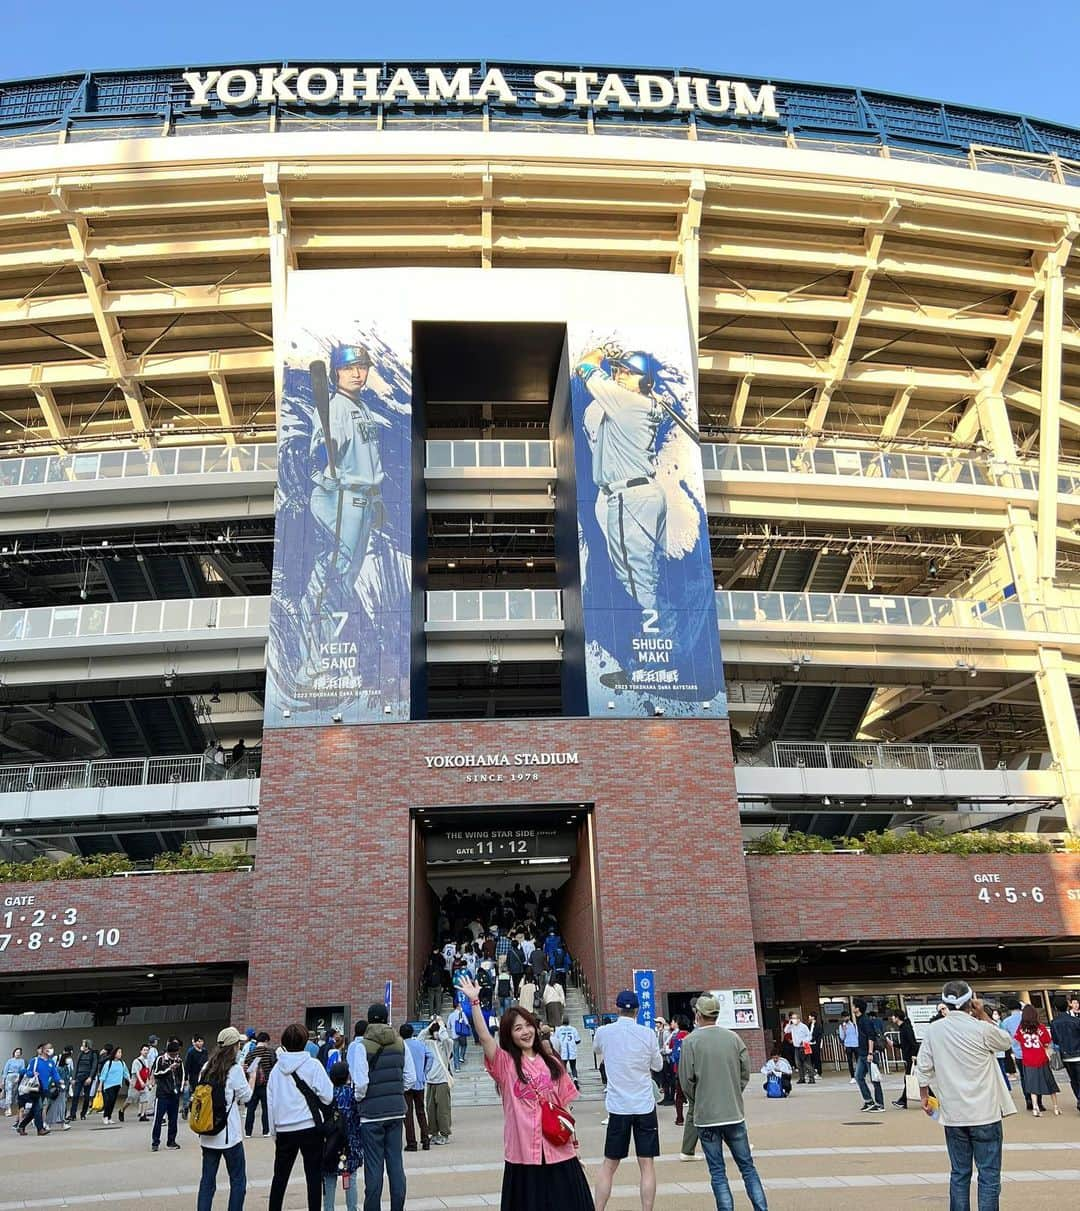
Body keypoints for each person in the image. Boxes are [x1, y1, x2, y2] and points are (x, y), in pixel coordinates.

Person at [457, 976, 593, 1211]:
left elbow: (566, 1110)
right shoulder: (506, 1064)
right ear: (509, 1035)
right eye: (518, 1028)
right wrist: (475, 1003)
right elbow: (485, 1038)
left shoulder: (553, 1063)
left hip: (559, 1150)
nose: (526, 1031)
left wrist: (575, 1146)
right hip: (524, 1154)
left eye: (528, 1025)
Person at [915, 980, 1016, 1211]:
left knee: (959, 1174)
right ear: (971, 1001)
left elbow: (923, 1067)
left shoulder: (933, 1030)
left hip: (953, 1114)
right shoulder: (981, 1028)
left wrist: (923, 1097)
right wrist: (982, 1013)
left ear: (945, 1003)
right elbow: (1005, 1041)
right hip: (985, 1113)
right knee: (989, 1176)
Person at [679, 994, 769, 1211]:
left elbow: (686, 1080)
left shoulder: (690, 1041)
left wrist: (698, 1099)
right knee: (747, 1167)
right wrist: (733, 1091)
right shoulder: (734, 1038)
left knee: (718, 1173)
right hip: (733, 1113)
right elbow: (744, 1073)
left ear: (697, 1014)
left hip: (706, 1116)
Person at [592, 989, 663, 1211]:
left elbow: (596, 1049)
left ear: (617, 1008)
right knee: (647, 1164)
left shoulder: (604, 1032)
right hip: (643, 1104)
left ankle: (599, 1208)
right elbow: (658, 1065)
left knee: (609, 1163)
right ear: (637, 1010)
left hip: (618, 1106)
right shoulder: (648, 1034)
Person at [267, 1023, 335, 1211]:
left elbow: (271, 1104)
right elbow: (328, 1096)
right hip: (310, 1127)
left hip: (284, 1129)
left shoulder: (276, 1071)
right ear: (306, 1041)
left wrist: (274, 1132)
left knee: (279, 1177)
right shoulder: (313, 1065)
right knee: (313, 1176)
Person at [352, 1002, 411, 1211]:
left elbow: (360, 1084)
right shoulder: (401, 1043)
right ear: (387, 1019)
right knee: (396, 1164)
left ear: (369, 1020)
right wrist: (396, 1091)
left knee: (374, 1168)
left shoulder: (361, 1046)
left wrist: (360, 1100)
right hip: (396, 1112)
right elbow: (410, 1078)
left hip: (371, 1115)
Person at [195, 1027, 255, 1211]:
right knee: (238, 1180)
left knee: (207, 1182)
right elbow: (246, 1097)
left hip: (207, 1132)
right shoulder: (234, 1069)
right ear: (234, 1046)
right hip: (229, 1135)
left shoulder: (206, 1067)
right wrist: (251, 1077)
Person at [322, 1062, 363, 1211]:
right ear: (347, 1076)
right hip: (350, 1145)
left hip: (330, 1145)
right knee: (349, 1177)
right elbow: (359, 1119)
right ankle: (352, 1208)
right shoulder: (352, 1095)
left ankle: (328, 1208)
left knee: (329, 1179)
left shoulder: (326, 1095)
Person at [1014, 1004, 1060, 1117]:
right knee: (1050, 1083)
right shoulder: (1041, 1028)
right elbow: (1047, 1043)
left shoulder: (1021, 1029)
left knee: (1032, 1085)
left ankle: (1035, 1107)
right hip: (1041, 1059)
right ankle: (1055, 1107)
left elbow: (1019, 1041)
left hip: (1028, 1060)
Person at [14, 1043, 60, 1137]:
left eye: (51, 1048)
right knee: (38, 1108)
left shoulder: (51, 1062)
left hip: (44, 1088)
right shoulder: (35, 1061)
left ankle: (21, 1126)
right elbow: (26, 1071)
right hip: (34, 1088)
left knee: (34, 1110)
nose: (51, 1050)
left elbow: (55, 1073)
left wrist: (59, 1081)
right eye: (49, 1048)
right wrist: (32, 1073)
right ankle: (40, 1129)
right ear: (43, 1050)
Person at [419, 1018, 453, 1145]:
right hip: (430, 1080)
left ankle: (445, 1133)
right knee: (430, 1108)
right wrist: (430, 1027)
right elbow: (419, 1039)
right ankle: (433, 1132)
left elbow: (445, 1038)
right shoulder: (428, 1044)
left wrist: (441, 1025)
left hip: (442, 1080)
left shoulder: (447, 1045)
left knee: (442, 1109)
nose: (436, 1033)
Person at [399, 1024, 431, 1152]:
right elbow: (431, 1056)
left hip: (406, 1083)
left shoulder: (401, 1046)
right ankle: (425, 1140)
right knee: (421, 1112)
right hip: (419, 1081)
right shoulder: (419, 1044)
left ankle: (411, 1143)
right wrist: (424, 1071)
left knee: (408, 1114)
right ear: (412, 1033)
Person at [151, 1037, 184, 1151]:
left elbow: (182, 1074)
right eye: (173, 1055)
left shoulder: (179, 1060)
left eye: (176, 1054)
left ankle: (171, 1141)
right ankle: (155, 1142)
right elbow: (156, 1073)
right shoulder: (160, 1059)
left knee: (173, 1119)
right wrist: (169, 1068)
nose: (175, 1057)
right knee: (158, 1119)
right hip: (162, 1093)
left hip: (174, 1094)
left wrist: (180, 1088)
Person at [853, 998, 885, 1112]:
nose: (852, 1008)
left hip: (868, 1053)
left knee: (874, 1079)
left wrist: (870, 1053)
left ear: (858, 1008)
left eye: (853, 1006)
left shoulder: (865, 1020)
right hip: (862, 1053)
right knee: (858, 1077)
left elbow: (871, 1036)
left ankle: (880, 1104)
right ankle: (868, 1100)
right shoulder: (859, 1019)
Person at [1049, 995, 1080, 1112]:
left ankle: (1078, 1098)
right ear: (1068, 1006)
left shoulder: (1054, 1023)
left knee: (1073, 1079)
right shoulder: (1076, 1021)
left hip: (1065, 1055)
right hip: (1078, 1053)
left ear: (1055, 1008)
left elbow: (1055, 1040)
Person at [245, 1031, 276, 1137]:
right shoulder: (270, 1052)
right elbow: (275, 1067)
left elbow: (246, 1068)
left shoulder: (251, 1054)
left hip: (253, 1085)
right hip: (266, 1085)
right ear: (266, 1041)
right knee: (266, 1108)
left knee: (251, 1108)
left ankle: (248, 1132)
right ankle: (266, 1131)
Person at [890, 1010, 920, 1109]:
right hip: (909, 1056)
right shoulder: (903, 1028)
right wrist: (894, 1044)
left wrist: (914, 1054)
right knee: (914, 1079)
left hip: (912, 1057)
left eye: (893, 1016)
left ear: (898, 1017)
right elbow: (904, 1045)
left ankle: (903, 1101)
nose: (892, 1018)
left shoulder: (906, 1028)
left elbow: (913, 1042)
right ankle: (933, 1099)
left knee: (910, 1078)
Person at [98, 1046, 130, 1126]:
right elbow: (103, 1075)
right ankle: (105, 1116)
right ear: (114, 1053)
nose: (120, 1054)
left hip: (117, 1085)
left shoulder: (122, 1063)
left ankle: (109, 1117)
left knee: (113, 1102)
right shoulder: (108, 1063)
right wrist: (100, 1086)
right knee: (108, 1101)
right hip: (108, 1086)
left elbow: (126, 1073)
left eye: (121, 1052)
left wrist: (130, 1081)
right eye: (118, 1052)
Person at [68, 1040, 98, 1122]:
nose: (82, 1046)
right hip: (79, 1077)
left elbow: (94, 1066)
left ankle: (83, 1114)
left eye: (83, 1044)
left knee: (87, 1096)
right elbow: (76, 1066)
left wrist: (90, 1077)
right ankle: (72, 1114)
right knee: (76, 1095)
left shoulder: (93, 1054)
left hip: (87, 1077)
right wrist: (74, 1078)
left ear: (87, 1046)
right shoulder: (80, 1054)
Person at [45, 1047, 73, 1129]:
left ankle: (62, 1123)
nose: (69, 1060)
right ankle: (48, 1123)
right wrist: (60, 1083)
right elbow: (55, 1079)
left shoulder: (67, 1068)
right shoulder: (59, 1069)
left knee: (62, 1107)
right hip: (58, 1090)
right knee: (55, 1107)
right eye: (68, 1058)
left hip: (63, 1091)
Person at [128, 1044, 155, 1123]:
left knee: (145, 1098)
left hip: (144, 1083)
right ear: (141, 1051)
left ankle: (143, 1115)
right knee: (131, 1099)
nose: (146, 1051)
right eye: (144, 1050)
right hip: (136, 1083)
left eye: (147, 1050)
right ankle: (122, 1110)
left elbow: (148, 1072)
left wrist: (149, 1082)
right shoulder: (136, 1061)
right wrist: (141, 1082)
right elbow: (137, 1073)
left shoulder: (148, 1061)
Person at [184, 1036, 209, 1120]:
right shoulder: (191, 1052)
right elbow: (187, 1065)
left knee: (202, 1093)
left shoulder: (205, 1051)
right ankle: (190, 1109)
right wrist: (186, 1078)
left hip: (203, 1075)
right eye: (198, 1041)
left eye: (201, 1041)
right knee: (194, 1093)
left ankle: (198, 1111)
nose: (200, 1043)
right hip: (194, 1076)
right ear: (194, 1042)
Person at [554, 1016, 582, 1089]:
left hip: (563, 1051)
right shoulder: (573, 1029)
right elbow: (578, 1040)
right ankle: (575, 1078)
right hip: (572, 1050)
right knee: (573, 1067)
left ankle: (565, 1082)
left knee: (563, 1067)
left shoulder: (559, 1030)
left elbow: (556, 1039)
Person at [788, 1013, 814, 1085]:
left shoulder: (803, 1026)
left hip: (804, 1046)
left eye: (794, 1018)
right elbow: (786, 1031)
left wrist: (804, 1041)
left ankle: (811, 1077)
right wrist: (789, 1024)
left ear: (798, 1019)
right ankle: (802, 1078)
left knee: (806, 1063)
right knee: (798, 1063)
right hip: (796, 1047)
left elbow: (809, 1036)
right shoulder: (792, 1026)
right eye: (792, 1018)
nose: (793, 1020)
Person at [447, 1002, 470, 1071]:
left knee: (455, 1051)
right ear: (458, 1007)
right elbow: (467, 1023)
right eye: (460, 1006)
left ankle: (457, 1067)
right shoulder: (462, 1014)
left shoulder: (451, 1015)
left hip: (454, 1035)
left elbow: (448, 1026)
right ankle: (461, 1056)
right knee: (464, 1045)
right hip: (462, 1034)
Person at [3, 1047, 26, 1117]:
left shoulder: (22, 1061)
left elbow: (22, 1070)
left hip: (17, 1077)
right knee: (8, 1092)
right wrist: (2, 1081)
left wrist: (19, 1077)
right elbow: (5, 1070)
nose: (17, 1054)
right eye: (16, 1052)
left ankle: (10, 1107)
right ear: (14, 1053)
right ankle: (8, 1109)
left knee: (15, 1093)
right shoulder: (9, 1061)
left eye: (19, 1052)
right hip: (9, 1076)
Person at [838, 1014, 859, 1081]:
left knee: (858, 1061)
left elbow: (857, 1034)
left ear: (849, 1017)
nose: (845, 1018)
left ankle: (859, 1074)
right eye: (844, 1017)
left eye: (846, 1016)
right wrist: (844, 1030)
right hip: (848, 1045)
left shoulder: (854, 1025)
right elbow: (842, 1037)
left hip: (856, 1044)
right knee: (850, 1062)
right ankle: (852, 1077)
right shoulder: (841, 1026)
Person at [807, 1013, 823, 1077]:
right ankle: (812, 1072)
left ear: (813, 1017)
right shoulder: (809, 1025)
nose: (809, 1018)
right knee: (811, 1058)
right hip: (810, 1044)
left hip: (816, 1044)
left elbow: (818, 1034)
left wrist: (813, 1039)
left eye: (810, 1016)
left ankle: (819, 1072)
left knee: (817, 1058)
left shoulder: (818, 1025)